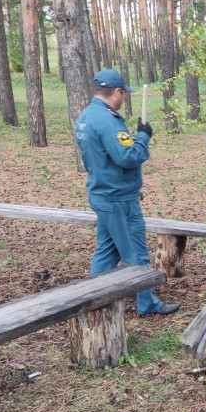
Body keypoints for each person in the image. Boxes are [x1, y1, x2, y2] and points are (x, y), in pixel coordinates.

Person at [74, 69, 179, 316]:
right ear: (117, 91)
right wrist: (143, 137)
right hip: (118, 199)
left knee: (107, 249)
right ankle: (146, 304)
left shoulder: (87, 116)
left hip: (103, 194)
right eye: (124, 93)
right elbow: (128, 156)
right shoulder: (107, 120)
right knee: (136, 255)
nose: (124, 97)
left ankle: (95, 298)